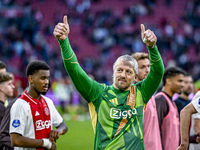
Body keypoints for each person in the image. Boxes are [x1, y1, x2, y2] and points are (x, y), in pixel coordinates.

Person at [53, 15, 164, 149]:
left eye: (128, 72)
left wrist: (152, 47)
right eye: (119, 70)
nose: (123, 75)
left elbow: (158, 71)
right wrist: (64, 42)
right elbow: (74, 69)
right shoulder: (97, 92)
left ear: (135, 76)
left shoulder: (141, 92)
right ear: (113, 72)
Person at [9, 60, 68, 150]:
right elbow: (15, 140)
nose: (47, 82)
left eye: (48, 78)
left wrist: (58, 131)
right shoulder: (20, 105)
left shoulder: (48, 102)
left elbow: (63, 125)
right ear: (31, 79)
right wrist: (46, 143)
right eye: (43, 78)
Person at [132, 52, 162, 150]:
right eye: (142, 67)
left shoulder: (151, 95)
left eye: (149, 66)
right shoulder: (133, 95)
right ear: (134, 71)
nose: (147, 70)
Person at [154, 66, 185, 150]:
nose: (183, 85)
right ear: (168, 81)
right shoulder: (161, 100)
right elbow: (155, 130)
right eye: (179, 81)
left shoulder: (172, 103)